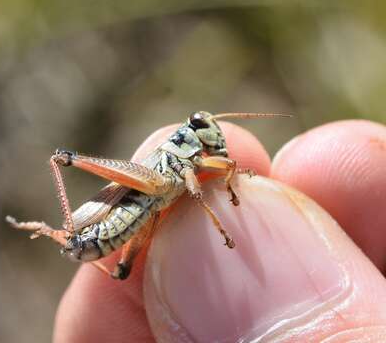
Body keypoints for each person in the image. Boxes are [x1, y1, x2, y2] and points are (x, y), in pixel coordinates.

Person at [54, 120, 386, 342]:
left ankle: (71, 236)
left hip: (146, 209)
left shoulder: (198, 162)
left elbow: (226, 166)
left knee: (122, 272)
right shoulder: (176, 159)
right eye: (201, 126)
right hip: (141, 192)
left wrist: (230, 181)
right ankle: (71, 230)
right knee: (68, 160)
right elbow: (194, 191)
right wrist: (222, 229)